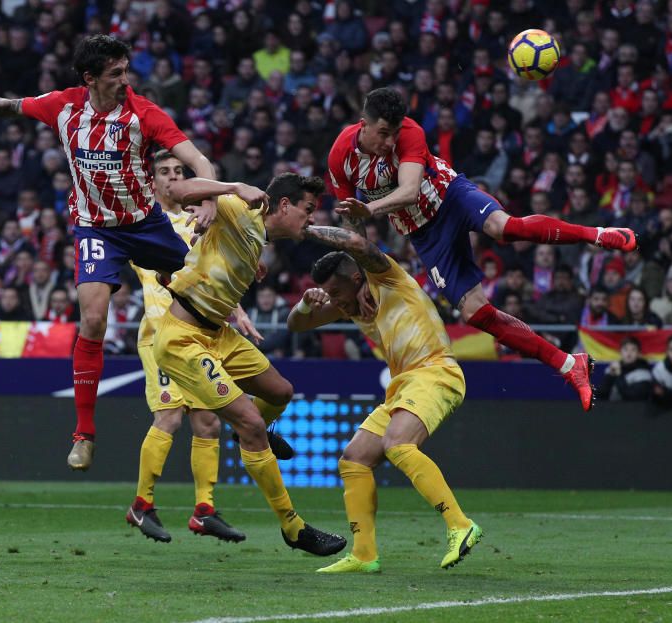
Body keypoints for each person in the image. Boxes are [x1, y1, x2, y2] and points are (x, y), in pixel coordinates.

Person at [0, 34, 217, 471]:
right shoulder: (63, 106)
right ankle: (84, 433)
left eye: (126, 71)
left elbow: (200, 161)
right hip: (96, 228)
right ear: (90, 78)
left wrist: (208, 198)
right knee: (92, 318)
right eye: (115, 74)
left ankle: (246, 396)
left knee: (208, 300)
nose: (124, 80)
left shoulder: (144, 113)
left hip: (147, 225)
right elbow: (12, 104)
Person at [329, 89, 639, 411]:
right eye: (383, 134)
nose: (390, 142)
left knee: (505, 228)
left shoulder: (410, 131)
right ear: (363, 124)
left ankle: (598, 234)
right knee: (474, 313)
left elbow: (408, 191)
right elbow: (354, 224)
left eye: (394, 133)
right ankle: (568, 364)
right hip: (426, 234)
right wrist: (364, 277)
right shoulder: (341, 156)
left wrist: (371, 209)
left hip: (451, 197)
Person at [153, 172, 346, 557]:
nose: (310, 218)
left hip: (219, 334)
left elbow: (220, 251)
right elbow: (177, 190)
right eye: (307, 210)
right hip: (183, 337)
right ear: (285, 205)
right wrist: (226, 189)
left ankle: (248, 437)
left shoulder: (260, 236)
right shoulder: (240, 206)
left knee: (280, 391)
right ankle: (293, 528)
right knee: (253, 422)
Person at [287, 222, 480, 573]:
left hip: (436, 371)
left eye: (334, 289)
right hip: (404, 384)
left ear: (356, 278)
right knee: (354, 460)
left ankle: (460, 524)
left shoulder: (388, 278)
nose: (332, 298)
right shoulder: (349, 305)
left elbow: (358, 243)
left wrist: (304, 228)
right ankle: (364, 554)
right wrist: (304, 304)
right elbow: (296, 326)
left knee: (397, 443)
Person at [126, 151, 246, 544]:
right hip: (160, 335)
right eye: (165, 172)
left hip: (197, 334)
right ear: (153, 181)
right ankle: (141, 505)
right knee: (170, 418)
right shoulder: (142, 221)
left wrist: (237, 310)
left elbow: (212, 273)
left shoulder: (201, 219)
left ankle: (204, 510)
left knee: (208, 421)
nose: (174, 177)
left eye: (180, 171)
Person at [599, 337, 652, 401]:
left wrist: (619, 375)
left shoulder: (644, 373)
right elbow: (601, 396)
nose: (629, 353)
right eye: (625, 349)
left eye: (633, 350)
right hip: (610, 409)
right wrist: (609, 376)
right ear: (620, 352)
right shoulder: (612, 369)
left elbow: (633, 397)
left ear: (638, 353)